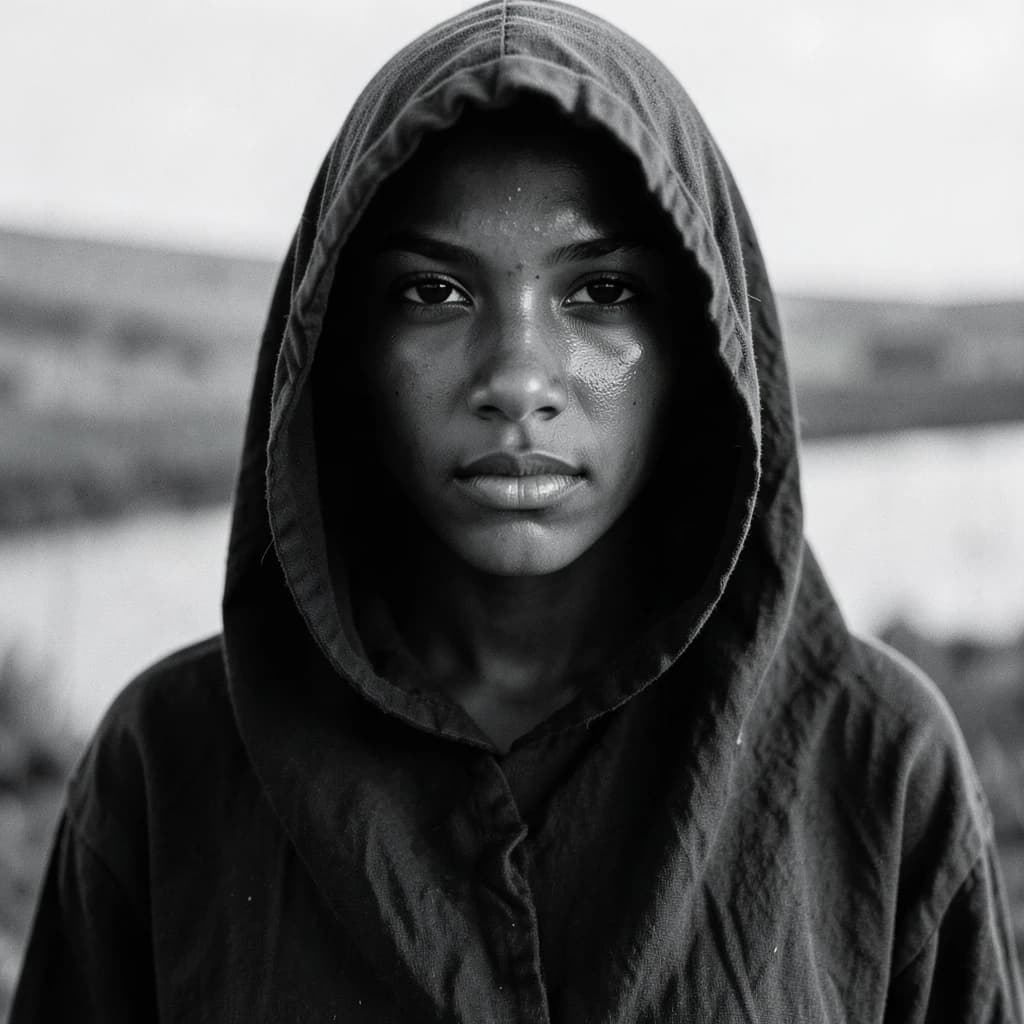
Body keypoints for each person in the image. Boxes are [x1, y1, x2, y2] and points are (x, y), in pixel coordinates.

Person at [11, 1, 1023, 1020]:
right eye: (434, 293)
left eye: (602, 291)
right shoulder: (167, 764)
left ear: (703, 345)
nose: (517, 376)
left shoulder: (879, 763)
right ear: (337, 345)